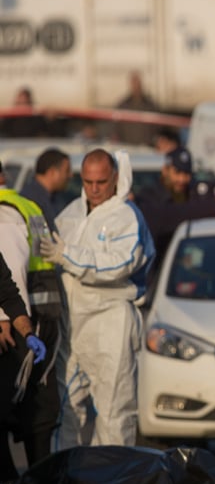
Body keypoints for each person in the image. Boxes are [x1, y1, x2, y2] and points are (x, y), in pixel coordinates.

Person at [39, 149, 155, 448]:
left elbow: (119, 264)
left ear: (114, 177)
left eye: (101, 182)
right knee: (66, 411)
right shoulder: (72, 212)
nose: (94, 189)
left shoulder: (126, 217)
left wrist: (67, 255)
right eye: (88, 181)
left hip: (110, 323)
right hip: (73, 325)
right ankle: (69, 483)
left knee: (114, 412)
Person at [0, 162, 59, 477]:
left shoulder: (5, 212)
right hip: (42, 319)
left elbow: (9, 280)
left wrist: (11, 322)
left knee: (28, 412)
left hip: (26, 327)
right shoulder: (27, 206)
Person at [135, 147, 215, 292]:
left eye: (186, 174)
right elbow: (167, 217)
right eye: (178, 173)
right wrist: (214, 208)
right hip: (158, 281)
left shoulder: (196, 197)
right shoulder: (148, 198)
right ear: (165, 170)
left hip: (199, 279)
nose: (182, 179)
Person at [19, 148, 72, 227]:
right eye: (67, 171)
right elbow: (40, 236)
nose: (70, 175)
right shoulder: (31, 201)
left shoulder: (55, 197)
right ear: (52, 172)